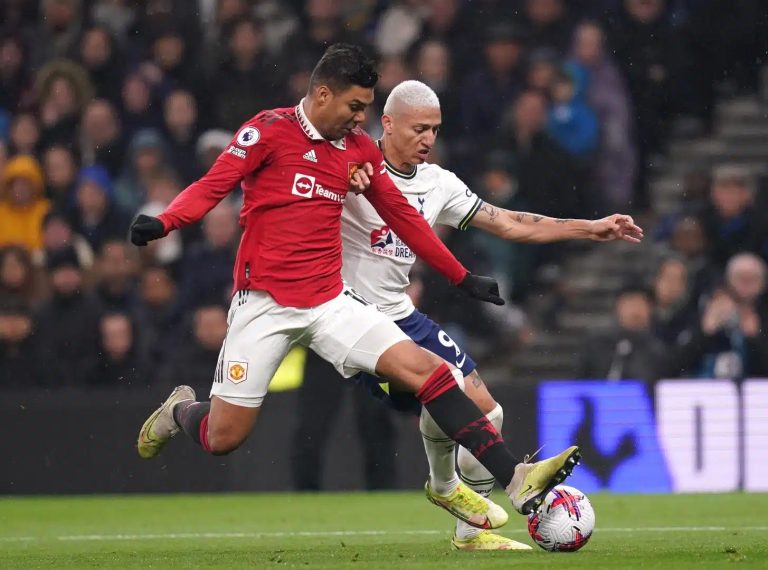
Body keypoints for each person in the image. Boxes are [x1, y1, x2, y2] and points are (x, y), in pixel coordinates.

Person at [131, 44, 580, 523]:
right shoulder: (267, 131)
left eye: (366, 107)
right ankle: (180, 410)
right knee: (224, 437)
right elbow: (213, 184)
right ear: (323, 94)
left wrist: (461, 276)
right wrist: (166, 223)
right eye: (355, 106)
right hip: (264, 301)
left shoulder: (358, 149)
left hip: (331, 301)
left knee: (431, 372)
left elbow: (405, 219)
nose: (361, 117)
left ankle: (515, 477)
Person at [337, 80, 642, 550]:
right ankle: (444, 486)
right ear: (389, 123)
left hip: (404, 314)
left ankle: (468, 531)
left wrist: (591, 228)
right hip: (352, 318)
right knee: (436, 383)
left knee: (488, 411)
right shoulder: (350, 166)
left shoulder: (438, 183)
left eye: (435, 130)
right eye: (419, 129)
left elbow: (509, 222)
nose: (428, 140)